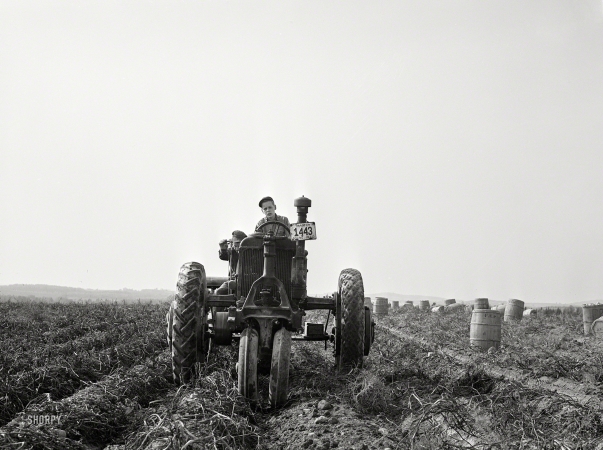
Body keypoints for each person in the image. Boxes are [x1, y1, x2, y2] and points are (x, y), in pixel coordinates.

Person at [216, 230, 247, 294]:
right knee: (219, 292)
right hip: (234, 280)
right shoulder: (231, 252)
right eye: (235, 245)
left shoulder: (250, 251)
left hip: (247, 279)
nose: (237, 248)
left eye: (239, 244)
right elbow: (223, 256)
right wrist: (222, 249)